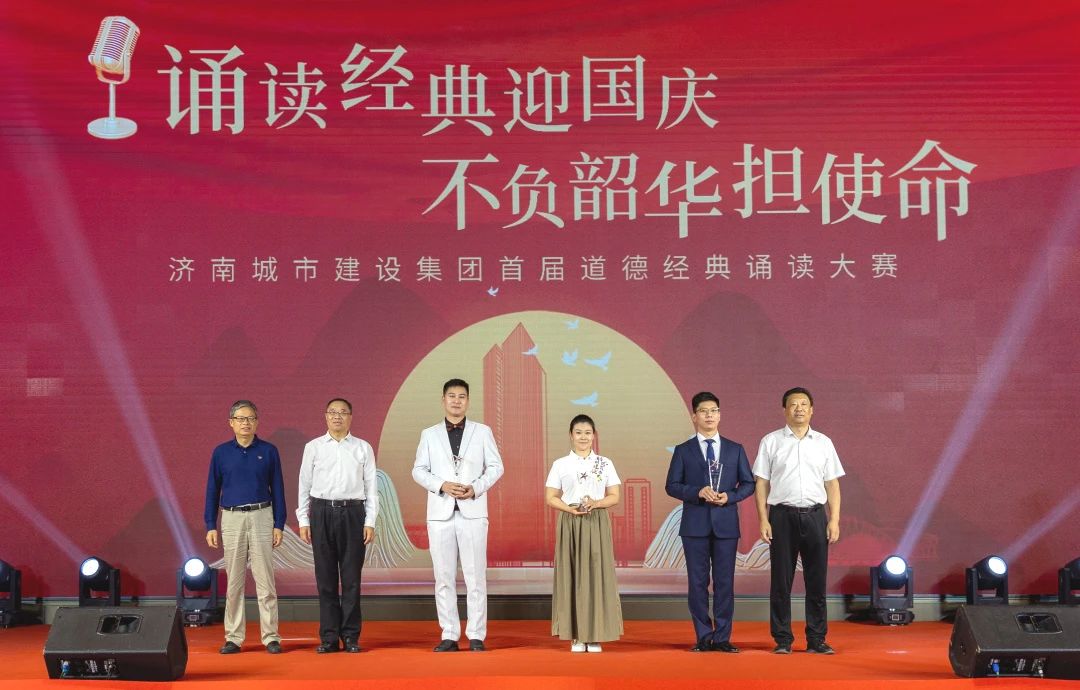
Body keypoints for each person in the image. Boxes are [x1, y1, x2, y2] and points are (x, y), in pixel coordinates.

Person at [412, 379, 504, 652]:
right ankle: (449, 634)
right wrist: (441, 485)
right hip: (440, 514)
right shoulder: (429, 434)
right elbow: (418, 470)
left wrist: (476, 488)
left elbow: (496, 467)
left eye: (461, 396)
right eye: (451, 396)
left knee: (476, 576)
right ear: (443, 400)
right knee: (443, 577)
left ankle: (476, 635)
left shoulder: (482, 431)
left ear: (468, 401)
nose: (456, 401)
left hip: (472, 512)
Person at [754, 387, 845, 655]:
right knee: (780, 582)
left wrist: (834, 519)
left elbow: (832, 484)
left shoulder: (824, 443)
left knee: (816, 581)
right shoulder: (771, 441)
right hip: (781, 517)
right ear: (784, 410)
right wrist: (763, 519)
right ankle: (782, 639)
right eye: (793, 404)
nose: (799, 409)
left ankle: (817, 639)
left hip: (816, 516)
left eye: (804, 404)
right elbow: (761, 483)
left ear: (812, 410)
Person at [665, 391, 755, 652]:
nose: (709, 415)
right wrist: (697, 492)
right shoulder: (683, 450)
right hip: (694, 526)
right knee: (697, 583)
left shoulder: (735, 449)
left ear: (720, 415)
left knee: (725, 583)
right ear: (694, 416)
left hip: (726, 526)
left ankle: (723, 637)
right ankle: (704, 637)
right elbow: (672, 485)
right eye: (703, 411)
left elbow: (748, 483)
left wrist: (730, 497)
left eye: (714, 410)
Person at [296, 397, 379, 654]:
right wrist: (303, 519)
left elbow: (371, 488)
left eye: (343, 412)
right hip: (321, 512)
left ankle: (351, 636)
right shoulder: (313, 447)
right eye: (333, 412)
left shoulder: (363, 448)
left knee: (352, 579)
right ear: (325, 416)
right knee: (326, 579)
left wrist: (370, 521)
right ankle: (329, 637)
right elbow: (304, 485)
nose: (337, 416)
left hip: (353, 513)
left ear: (350, 417)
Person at [204, 399, 286, 655]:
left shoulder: (269, 451)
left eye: (250, 418)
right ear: (231, 423)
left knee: (265, 580)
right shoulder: (220, 453)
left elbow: (278, 489)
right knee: (235, 581)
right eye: (240, 419)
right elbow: (212, 490)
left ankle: (271, 636)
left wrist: (279, 523)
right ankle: (233, 637)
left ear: (257, 422)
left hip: (262, 515)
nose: (245, 423)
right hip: (232, 518)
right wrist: (210, 524)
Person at [545, 414, 623, 653]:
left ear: (594, 435)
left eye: (587, 433)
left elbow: (614, 496)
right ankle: (577, 635)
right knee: (572, 575)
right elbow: (550, 497)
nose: (583, 437)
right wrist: (568, 509)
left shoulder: (604, 463)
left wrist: (596, 503)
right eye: (578, 432)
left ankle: (596, 634)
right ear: (571, 435)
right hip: (570, 520)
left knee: (597, 575)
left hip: (596, 521)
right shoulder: (560, 464)